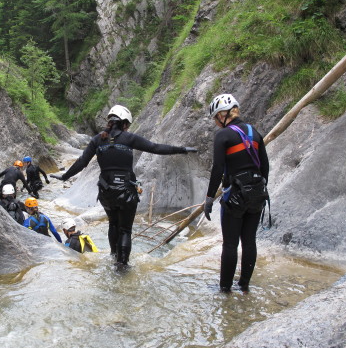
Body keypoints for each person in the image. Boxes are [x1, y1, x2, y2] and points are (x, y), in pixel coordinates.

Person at [50, 105, 197, 266]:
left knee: (113, 224)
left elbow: (81, 162)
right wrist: (182, 149)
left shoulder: (97, 139)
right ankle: (123, 265)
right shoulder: (129, 138)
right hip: (126, 191)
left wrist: (65, 176)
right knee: (125, 230)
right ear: (124, 123)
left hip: (106, 192)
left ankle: (114, 257)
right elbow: (155, 148)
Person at [203, 94, 269, 293]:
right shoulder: (254, 132)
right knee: (249, 241)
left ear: (223, 115)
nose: (216, 122)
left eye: (216, 118)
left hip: (235, 195)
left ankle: (225, 289)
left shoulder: (223, 135)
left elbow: (218, 168)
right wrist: (258, 190)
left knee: (230, 244)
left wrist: (208, 199)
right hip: (257, 194)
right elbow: (265, 167)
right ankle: (244, 285)